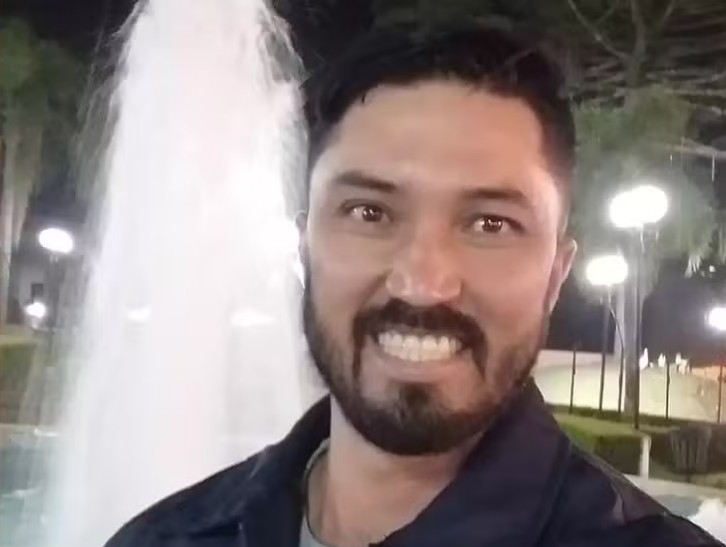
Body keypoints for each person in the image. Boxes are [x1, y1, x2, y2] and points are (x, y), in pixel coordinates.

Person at [106, 22, 723, 547]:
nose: (423, 284)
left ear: (556, 274)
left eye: (490, 223)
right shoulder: (165, 538)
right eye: (369, 212)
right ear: (305, 246)